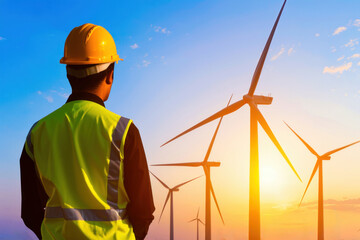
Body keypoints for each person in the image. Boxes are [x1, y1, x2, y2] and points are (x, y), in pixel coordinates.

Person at [20, 23, 155, 240]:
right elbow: (143, 212)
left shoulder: (38, 132)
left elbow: (30, 213)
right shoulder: (124, 130)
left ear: (68, 73)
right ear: (110, 75)